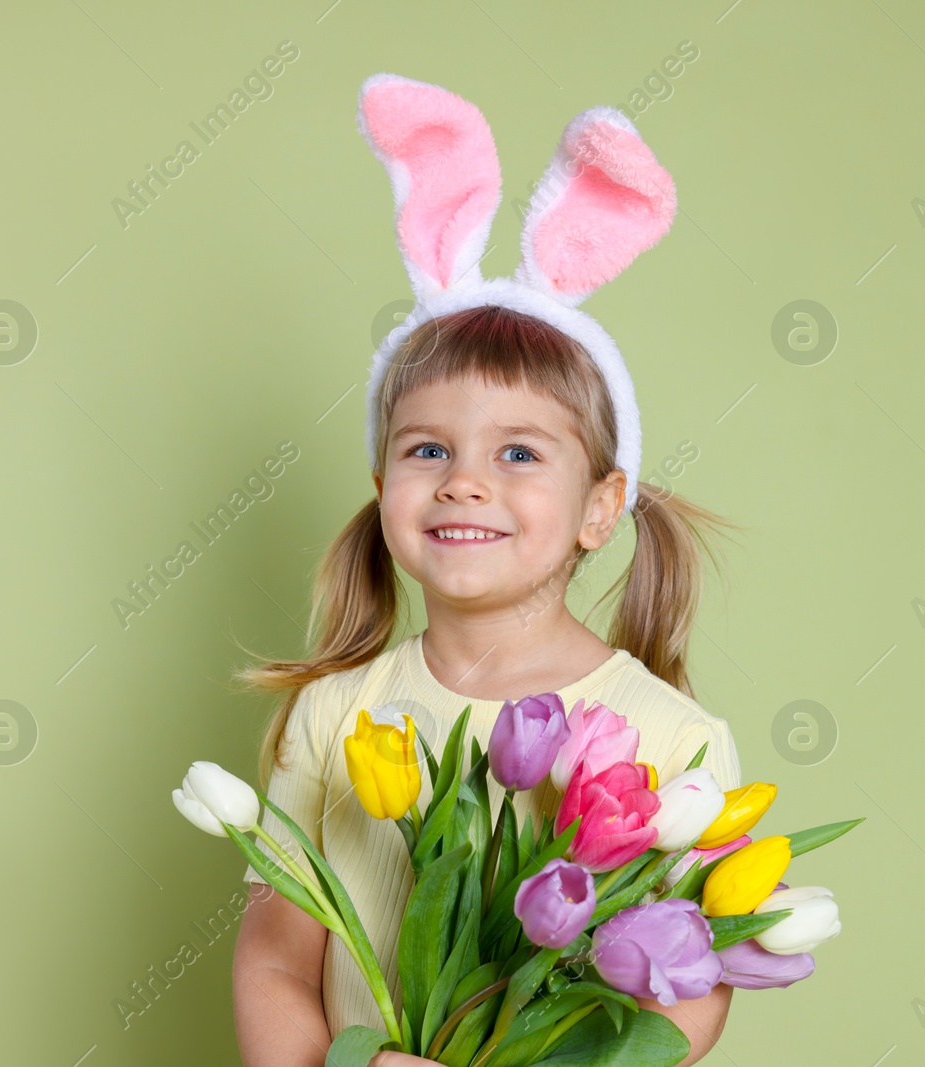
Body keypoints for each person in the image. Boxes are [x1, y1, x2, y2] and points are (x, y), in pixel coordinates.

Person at [231, 72, 743, 1067]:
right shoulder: (335, 714)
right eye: (428, 451)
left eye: (517, 453)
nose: (464, 482)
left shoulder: (671, 739)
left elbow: (691, 989)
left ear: (602, 504)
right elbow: (275, 955)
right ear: (383, 486)